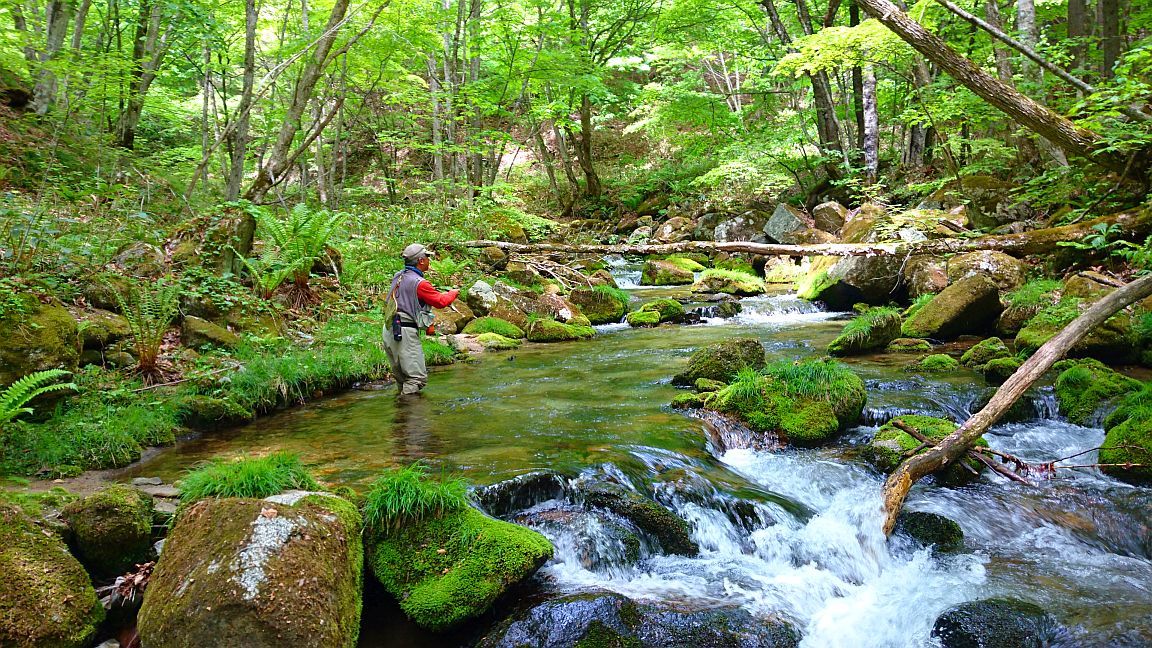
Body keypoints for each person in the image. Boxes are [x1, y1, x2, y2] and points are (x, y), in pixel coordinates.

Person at [382, 243, 459, 395]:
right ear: (421, 261)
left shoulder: (398, 276)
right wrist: (453, 293)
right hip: (403, 334)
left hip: (389, 330)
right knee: (416, 379)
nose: (430, 260)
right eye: (428, 257)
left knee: (403, 379)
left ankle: (401, 414)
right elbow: (441, 302)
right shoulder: (420, 283)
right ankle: (413, 416)